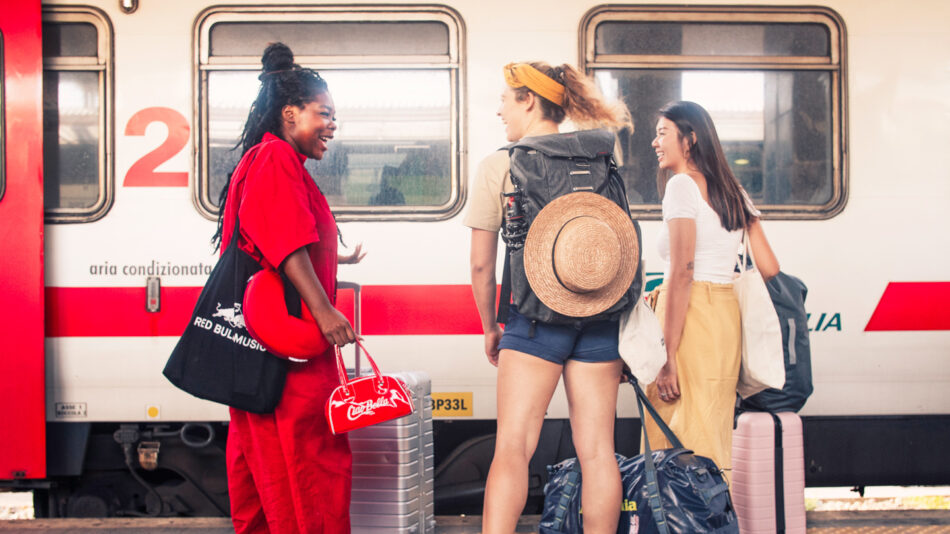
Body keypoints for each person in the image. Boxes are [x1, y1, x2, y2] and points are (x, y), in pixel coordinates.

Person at [465, 62, 634, 534]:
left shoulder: (500, 164)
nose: (500, 109)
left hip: (534, 322)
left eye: (505, 98)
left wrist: (490, 326)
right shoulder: (601, 156)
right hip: (599, 317)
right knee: (598, 448)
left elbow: (481, 265)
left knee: (514, 446)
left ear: (529, 101)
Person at [211, 42, 363, 534]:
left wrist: (333, 257)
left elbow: (265, 238)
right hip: (290, 350)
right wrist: (325, 312)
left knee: (263, 471)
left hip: (259, 349)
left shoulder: (263, 158)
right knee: (311, 467)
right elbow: (284, 242)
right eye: (324, 114)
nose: (332, 125)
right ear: (290, 112)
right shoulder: (277, 157)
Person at [644, 100, 779, 482]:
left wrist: (667, 356)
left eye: (662, 133)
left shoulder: (682, 186)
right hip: (723, 317)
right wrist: (720, 282)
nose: (655, 142)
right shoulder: (732, 189)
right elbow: (769, 267)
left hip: (690, 321)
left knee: (677, 443)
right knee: (712, 439)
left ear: (690, 139)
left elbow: (683, 272)